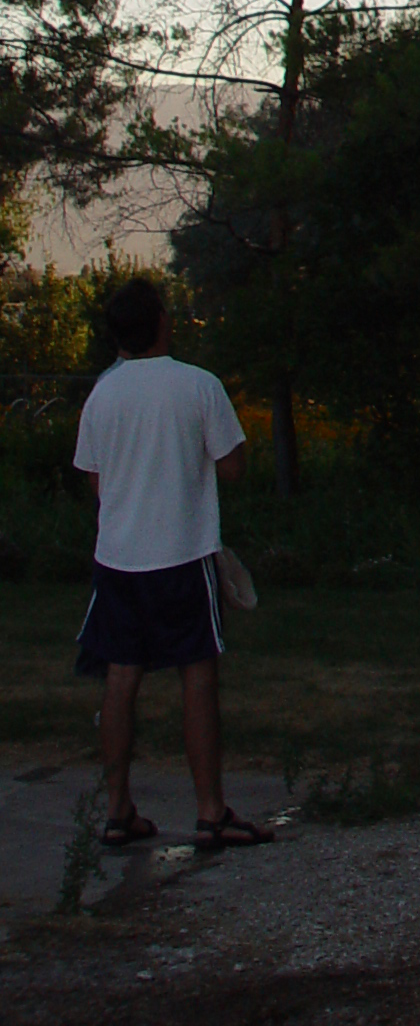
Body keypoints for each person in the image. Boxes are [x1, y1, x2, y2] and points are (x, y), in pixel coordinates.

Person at [71, 277, 270, 850]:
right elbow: (232, 467)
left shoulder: (103, 395)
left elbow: (95, 480)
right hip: (182, 553)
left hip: (119, 558)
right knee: (198, 678)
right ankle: (210, 811)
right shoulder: (197, 386)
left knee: (120, 677)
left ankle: (117, 809)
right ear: (160, 321)